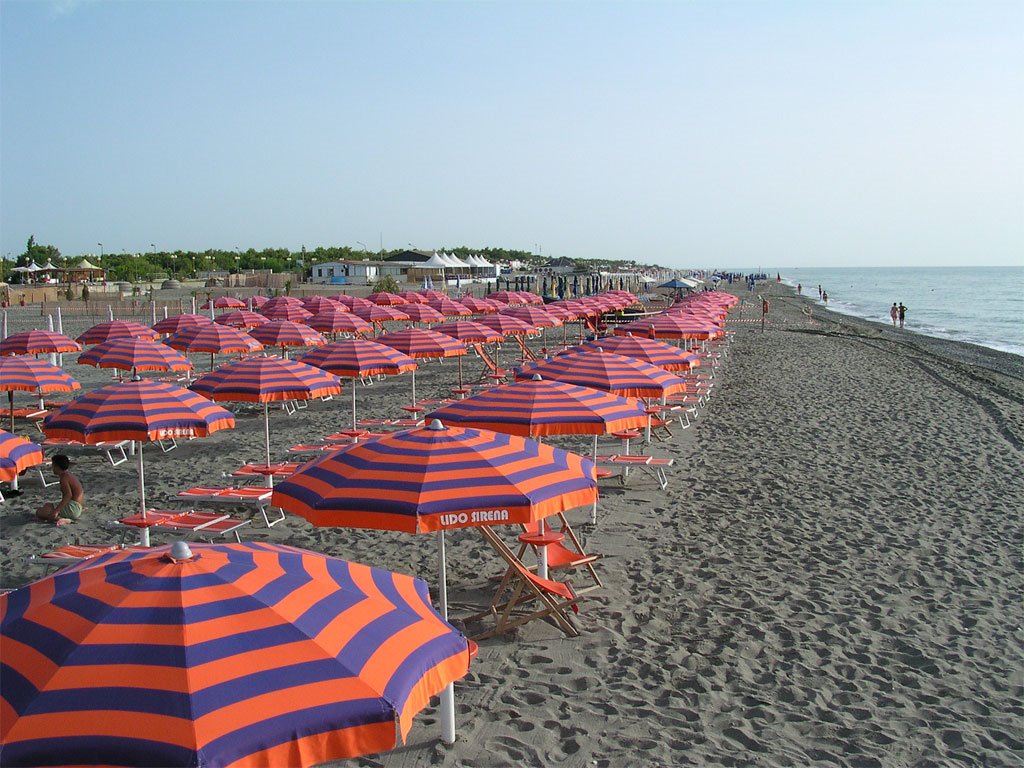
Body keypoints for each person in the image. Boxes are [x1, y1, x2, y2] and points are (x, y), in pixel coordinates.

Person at [35, 455, 85, 526]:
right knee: (47, 505)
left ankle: (62, 519)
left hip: (73, 508)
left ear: (57, 467)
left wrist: (56, 511)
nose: (52, 468)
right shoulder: (69, 475)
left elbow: (68, 495)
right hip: (77, 506)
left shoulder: (64, 478)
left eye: (53, 465)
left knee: (40, 512)